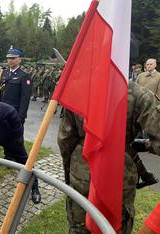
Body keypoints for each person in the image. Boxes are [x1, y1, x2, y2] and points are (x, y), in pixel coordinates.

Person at [58, 81, 160, 234]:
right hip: (119, 174)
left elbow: (65, 139)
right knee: (114, 226)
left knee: (79, 226)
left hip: (82, 170)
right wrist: (143, 145)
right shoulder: (140, 94)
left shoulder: (79, 90)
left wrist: (69, 166)